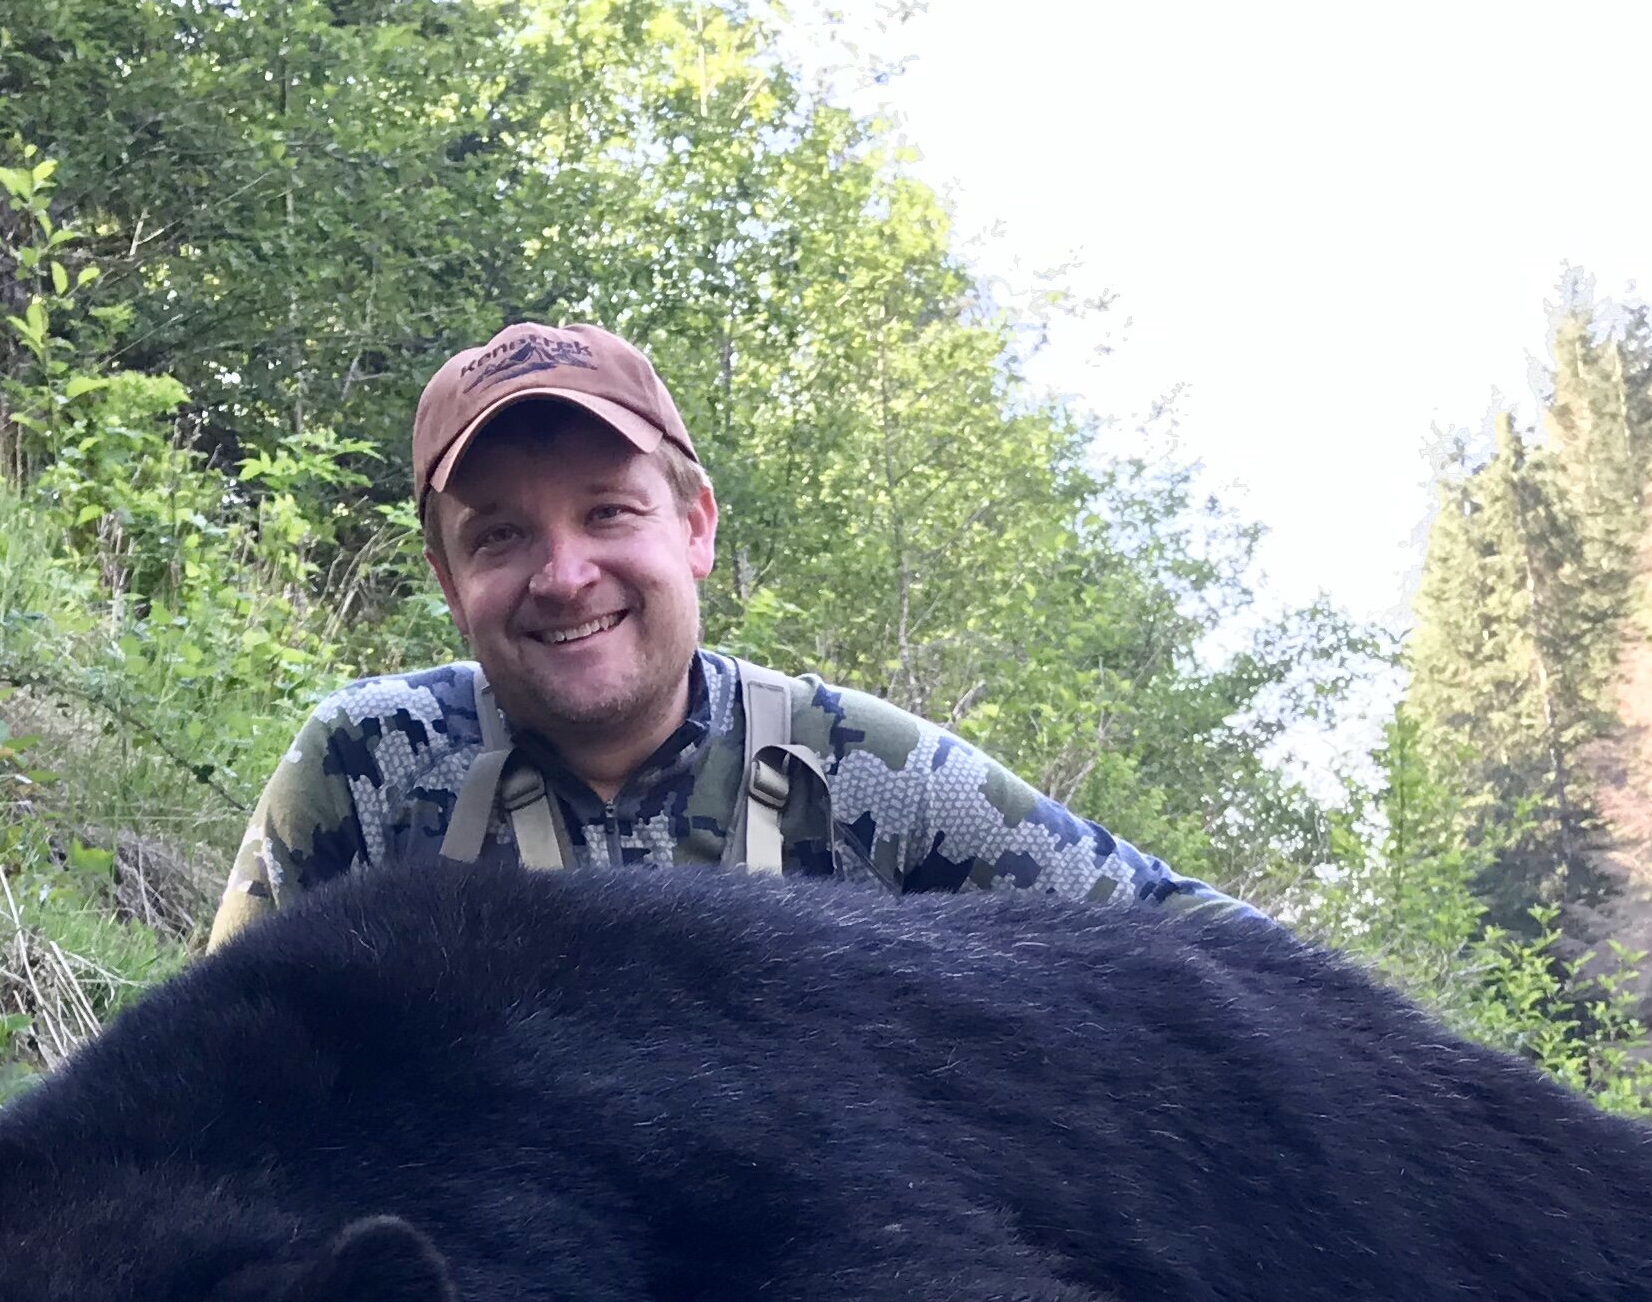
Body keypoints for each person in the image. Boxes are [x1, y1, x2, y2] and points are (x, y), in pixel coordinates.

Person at [204, 320, 1241, 946]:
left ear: (696, 527)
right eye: (502, 536)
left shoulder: (870, 777)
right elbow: (207, 1096)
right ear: (445, 578)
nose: (565, 577)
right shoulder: (365, 775)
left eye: (609, 512)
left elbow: (1198, 945)